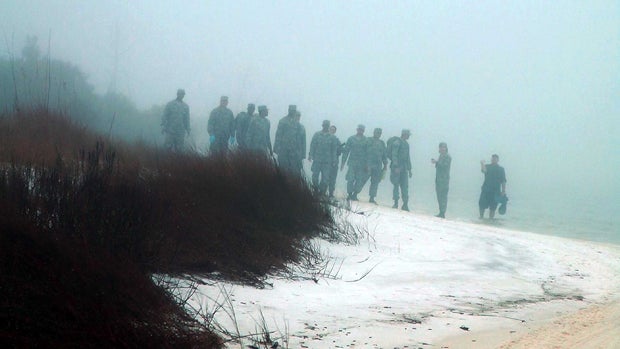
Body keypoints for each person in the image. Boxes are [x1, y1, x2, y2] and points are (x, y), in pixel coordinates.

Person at [308, 120, 338, 195]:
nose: (325, 126)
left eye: (327, 125)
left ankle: (321, 192)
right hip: (317, 160)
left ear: (328, 126)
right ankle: (315, 190)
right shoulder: (317, 135)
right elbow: (313, 145)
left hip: (327, 162)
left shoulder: (332, 138)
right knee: (315, 177)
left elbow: (334, 150)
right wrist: (310, 155)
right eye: (324, 125)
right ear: (322, 125)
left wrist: (334, 160)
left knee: (325, 179)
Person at [340, 124, 368, 201]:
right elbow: (346, 151)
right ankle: (349, 194)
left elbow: (368, 153)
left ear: (363, 131)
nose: (360, 131)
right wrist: (343, 163)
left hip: (361, 164)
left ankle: (355, 194)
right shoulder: (351, 139)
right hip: (352, 163)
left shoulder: (366, 140)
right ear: (357, 129)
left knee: (359, 180)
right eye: (359, 129)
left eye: (362, 130)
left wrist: (367, 165)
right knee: (350, 179)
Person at [274, 105, 302, 175]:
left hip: (294, 151)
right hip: (283, 150)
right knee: (282, 169)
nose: (292, 112)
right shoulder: (283, 121)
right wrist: (276, 148)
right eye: (291, 110)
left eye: (294, 111)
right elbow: (278, 135)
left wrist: (299, 152)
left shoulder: (298, 124)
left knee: (293, 170)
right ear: (288, 110)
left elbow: (299, 139)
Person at [390, 129, 412, 211]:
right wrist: (395, 166)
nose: (409, 136)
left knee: (405, 186)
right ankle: (395, 203)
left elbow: (408, 157)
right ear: (404, 134)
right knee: (396, 185)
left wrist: (410, 169)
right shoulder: (397, 142)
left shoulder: (406, 144)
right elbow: (394, 154)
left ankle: (405, 204)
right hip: (397, 167)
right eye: (408, 134)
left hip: (404, 168)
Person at [479, 154, 507, 219]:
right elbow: (483, 171)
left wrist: (503, 191)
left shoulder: (501, 169)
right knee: (481, 205)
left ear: (498, 160)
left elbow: (503, 181)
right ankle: (481, 218)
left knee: (493, 207)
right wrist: (482, 163)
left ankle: (490, 221)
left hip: (496, 191)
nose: (493, 160)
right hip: (486, 190)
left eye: (495, 159)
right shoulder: (487, 166)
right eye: (492, 158)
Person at [366, 128, 388, 204]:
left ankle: (372, 198)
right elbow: (364, 152)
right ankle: (354, 194)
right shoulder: (368, 140)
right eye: (377, 132)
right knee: (362, 179)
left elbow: (384, 155)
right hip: (368, 163)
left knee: (375, 182)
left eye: (379, 133)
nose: (378, 134)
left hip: (378, 165)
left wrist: (385, 164)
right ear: (374, 132)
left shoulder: (382, 143)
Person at [431, 142, 451, 218]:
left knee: (443, 196)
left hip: (444, 180)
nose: (442, 149)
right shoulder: (441, 156)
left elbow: (445, 166)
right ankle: (441, 212)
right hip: (438, 179)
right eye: (441, 147)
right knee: (439, 196)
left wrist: (436, 162)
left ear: (446, 148)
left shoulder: (448, 157)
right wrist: (436, 162)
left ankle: (442, 213)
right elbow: (439, 165)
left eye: (444, 147)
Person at [328, 125, 343, 198]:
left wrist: (338, 149)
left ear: (335, 131)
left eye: (333, 130)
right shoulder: (325, 138)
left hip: (334, 162)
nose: (332, 131)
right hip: (326, 161)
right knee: (325, 178)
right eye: (331, 129)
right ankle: (322, 191)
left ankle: (331, 192)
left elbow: (340, 152)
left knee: (332, 178)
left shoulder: (337, 140)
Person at [294, 111, 307, 176]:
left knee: (297, 171)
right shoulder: (288, 126)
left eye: (299, 116)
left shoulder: (302, 127)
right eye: (297, 115)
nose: (298, 117)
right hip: (288, 152)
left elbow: (303, 142)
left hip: (298, 153)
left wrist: (303, 155)